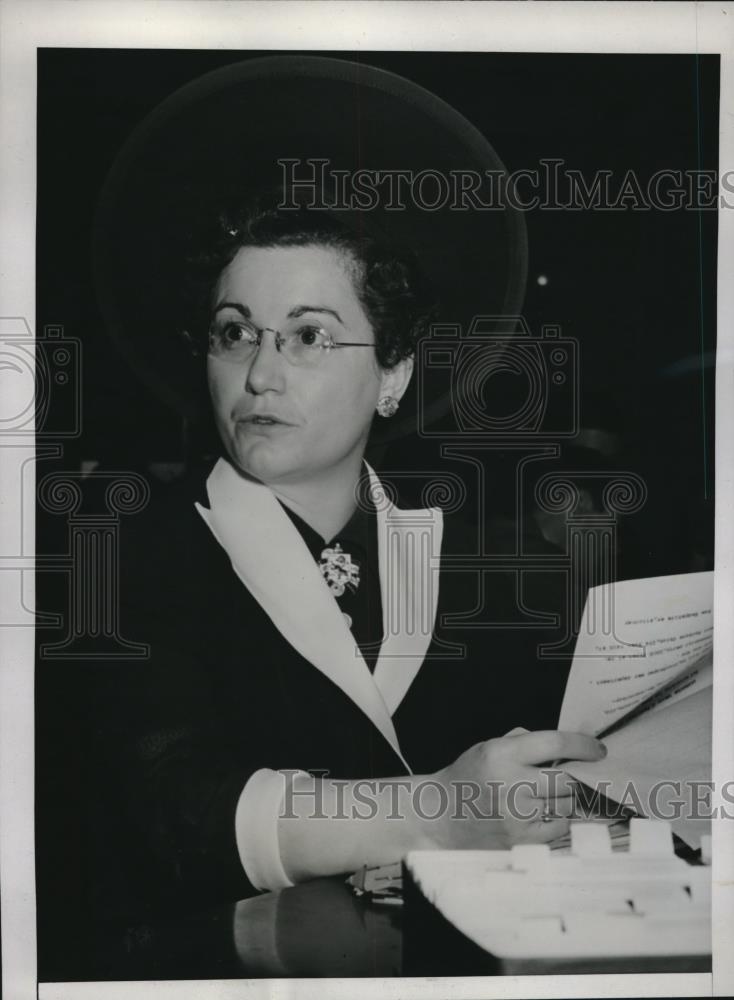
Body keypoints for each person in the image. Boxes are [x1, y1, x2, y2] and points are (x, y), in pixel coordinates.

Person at [85, 198, 606, 933]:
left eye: (308, 336)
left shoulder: (481, 565)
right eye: (234, 333)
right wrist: (437, 813)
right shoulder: (125, 557)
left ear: (392, 374)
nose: (260, 373)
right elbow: (177, 811)